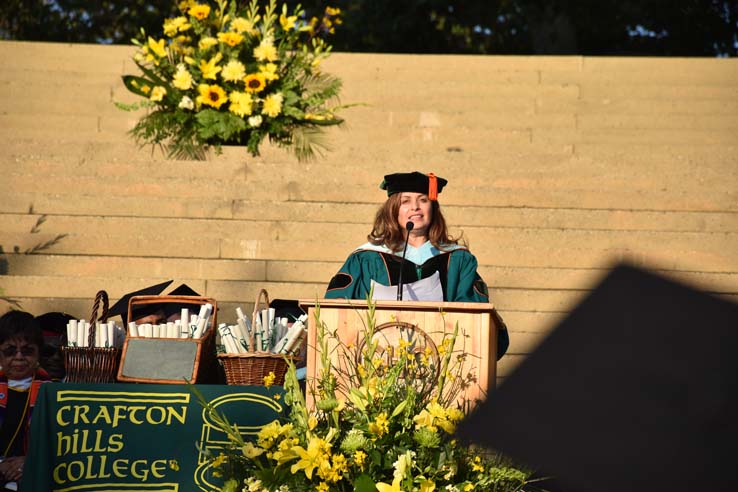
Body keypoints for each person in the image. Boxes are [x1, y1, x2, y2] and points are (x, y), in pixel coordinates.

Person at [325, 171, 509, 359]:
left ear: (433, 208)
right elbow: (335, 311)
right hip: (377, 363)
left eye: (423, 200)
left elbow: (477, 318)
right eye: (405, 201)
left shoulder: (457, 260)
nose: (415, 207)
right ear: (393, 209)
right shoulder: (366, 258)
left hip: (443, 365)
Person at [0, 310, 53, 488]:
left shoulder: (52, 393)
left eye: (27, 350)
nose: (19, 356)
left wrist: (30, 461)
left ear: (38, 353)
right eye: (10, 351)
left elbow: (58, 444)